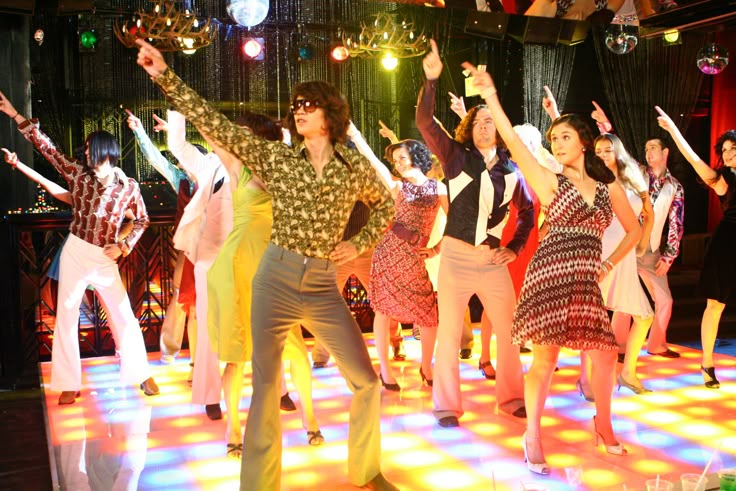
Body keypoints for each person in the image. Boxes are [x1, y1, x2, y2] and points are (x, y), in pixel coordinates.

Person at [135, 40, 397, 491]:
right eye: (296, 105)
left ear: (331, 114)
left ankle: (368, 471)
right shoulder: (276, 158)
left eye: (309, 105)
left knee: (366, 381)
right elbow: (212, 121)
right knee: (265, 388)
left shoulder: (353, 165)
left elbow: (385, 206)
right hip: (273, 276)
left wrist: (359, 243)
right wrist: (163, 75)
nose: (299, 111)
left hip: (320, 282)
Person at [458, 57, 641, 473]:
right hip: (549, 275)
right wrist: (489, 96)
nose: (556, 144)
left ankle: (604, 426)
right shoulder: (549, 180)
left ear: (583, 141)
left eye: (564, 137)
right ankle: (533, 435)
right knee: (545, 359)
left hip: (586, 278)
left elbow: (633, 232)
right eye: (553, 138)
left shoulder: (607, 185)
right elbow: (514, 140)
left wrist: (608, 265)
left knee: (606, 354)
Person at [0, 90, 159, 405]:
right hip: (76, 251)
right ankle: (69, 382)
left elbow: (142, 220)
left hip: (104, 257)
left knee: (123, 316)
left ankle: (141, 374)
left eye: (90, 150)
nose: (86, 155)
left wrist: (124, 246)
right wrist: (16, 115)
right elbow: (48, 149)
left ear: (106, 153)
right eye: (85, 151)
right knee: (67, 316)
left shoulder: (128, 187)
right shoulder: (78, 175)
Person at [417, 40, 534, 427]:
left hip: (491, 259)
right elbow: (424, 123)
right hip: (455, 256)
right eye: (479, 121)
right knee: (450, 335)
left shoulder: (512, 171)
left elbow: (528, 212)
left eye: (491, 122)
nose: (485, 125)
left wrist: (514, 248)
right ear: (470, 128)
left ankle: (512, 397)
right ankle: (447, 405)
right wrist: (430, 82)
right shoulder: (456, 157)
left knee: (510, 331)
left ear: (500, 130)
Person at [206, 111, 324, 457]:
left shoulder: (287, 169)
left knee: (296, 350)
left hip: (275, 268)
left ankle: (311, 419)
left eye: (244, 132)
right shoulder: (236, 167)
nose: (236, 137)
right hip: (237, 266)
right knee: (237, 356)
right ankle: (234, 430)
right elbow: (210, 129)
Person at [348, 125, 448, 390]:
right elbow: (370, 158)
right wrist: (356, 135)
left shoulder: (438, 188)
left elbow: (456, 222)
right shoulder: (396, 185)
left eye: (402, 158)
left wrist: (437, 248)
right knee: (382, 311)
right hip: (388, 253)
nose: (398, 164)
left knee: (429, 314)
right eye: (395, 161)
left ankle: (426, 366)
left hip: (416, 258)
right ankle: (385, 371)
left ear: (417, 157)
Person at [656, 106, 736, 389]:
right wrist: (673, 130)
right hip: (728, 245)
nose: (727, 154)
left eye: (732, 148)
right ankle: (707, 363)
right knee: (714, 306)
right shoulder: (723, 179)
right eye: (724, 150)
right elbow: (692, 158)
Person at [126, 110, 198, 367]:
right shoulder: (180, 181)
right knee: (181, 297)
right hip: (187, 249)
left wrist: (175, 132)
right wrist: (140, 131)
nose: (182, 166)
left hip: (213, 249)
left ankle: (206, 358)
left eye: (186, 160)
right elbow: (157, 160)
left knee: (205, 303)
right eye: (180, 162)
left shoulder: (215, 180)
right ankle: (169, 351)